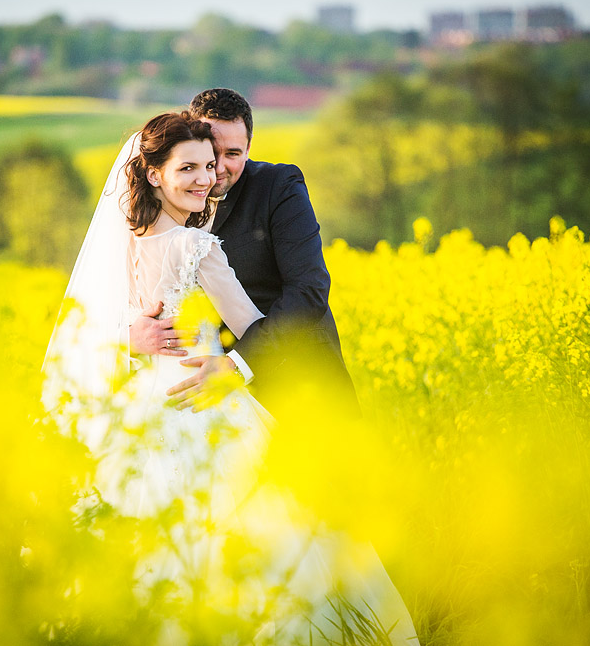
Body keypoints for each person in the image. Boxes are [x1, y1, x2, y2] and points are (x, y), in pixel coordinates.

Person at [43, 110, 418, 644]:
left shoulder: (124, 242)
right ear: (153, 173)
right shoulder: (196, 245)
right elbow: (249, 324)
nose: (207, 177)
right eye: (190, 167)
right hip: (201, 396)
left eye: (212, 164)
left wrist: (134, 337)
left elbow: (86, 321)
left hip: (141, 402)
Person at [129, 88, 360, 418]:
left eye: (233, 154)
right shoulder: (152, 227)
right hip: (191, 396)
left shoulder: (278, 186)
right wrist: (130, 335)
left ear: (250, 149)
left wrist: (237, 366)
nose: (216, 170)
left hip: (298, 384)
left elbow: (308, 291)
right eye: (209, 155)